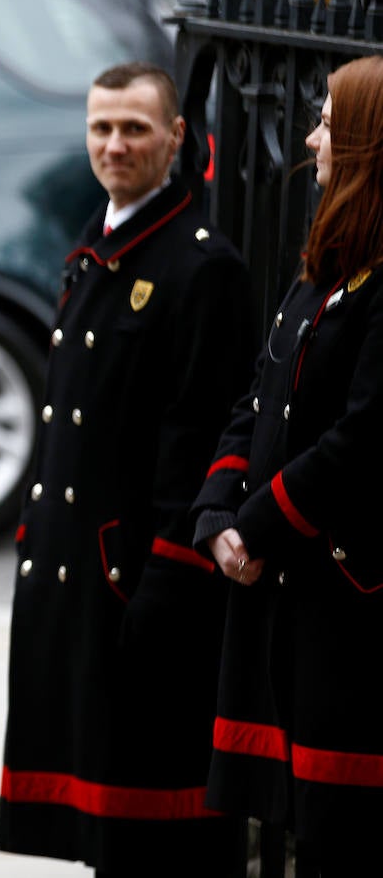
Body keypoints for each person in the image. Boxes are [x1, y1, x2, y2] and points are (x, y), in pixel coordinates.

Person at [0, 62, 254, 877]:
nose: (115, 145)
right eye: (101, 127)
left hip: (138, 583)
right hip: (75, 577)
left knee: (152, 829)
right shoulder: (97, 245)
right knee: (98, 825)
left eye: (135, 128)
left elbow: (200, 438)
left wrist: (165, 584)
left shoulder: (202, 266)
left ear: (177, 137)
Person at [192, 54, 383, 877]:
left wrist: (259, 524)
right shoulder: (325, 271)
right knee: (292, 828)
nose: (310, 140)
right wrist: (215, 515)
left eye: (330, 127)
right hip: (282, 590)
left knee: (343, 833)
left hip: (345, 603)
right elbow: (260, 399)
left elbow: (365, 436)